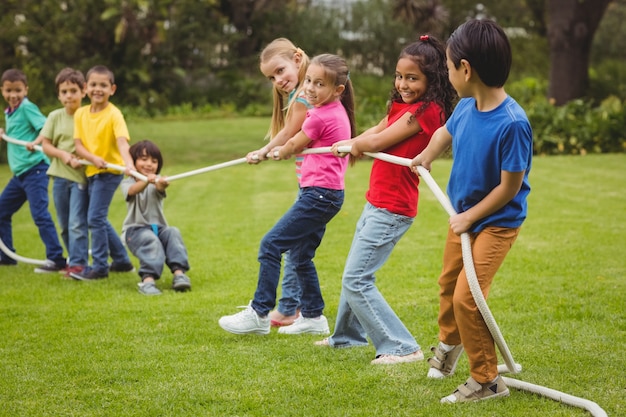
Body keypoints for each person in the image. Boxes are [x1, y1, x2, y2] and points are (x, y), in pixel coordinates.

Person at [410, 19, 532, 403]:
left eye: (447, 68)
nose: (447, 75)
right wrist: (427, 156)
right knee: (448, 284)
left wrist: (471, 216)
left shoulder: (513, 123)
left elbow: (509, 187)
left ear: (466, 69)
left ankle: (486, 381)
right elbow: (443, 134)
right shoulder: (465, 108)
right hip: (464, 218)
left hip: (494, 224)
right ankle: (450, 344)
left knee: (468, 296)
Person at [317, 35, 457, 365]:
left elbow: (380, 140)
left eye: (412, 78)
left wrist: (358, 145)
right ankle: (347, 337)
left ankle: (401, 346)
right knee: (354, 274)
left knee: (356, 278)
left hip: (392, 209)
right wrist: (352, 141)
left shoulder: (428, 112)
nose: (403, 83)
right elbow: (373, 132)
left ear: (431, 79)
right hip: (375, 201)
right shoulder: (400, 106)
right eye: (399, 75)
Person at [219, 53, 356, 336]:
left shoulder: (322, 115)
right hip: (325, 194)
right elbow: (293, 140)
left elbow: (295, 142)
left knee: (271, 244)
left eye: (319, 84)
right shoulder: (333, 109)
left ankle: (259, 313)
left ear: (338, 90)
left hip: (319, 195)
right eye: (308, 81)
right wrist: (266, 151)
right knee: (300, 256)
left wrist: (277, 152)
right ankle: (314, 317)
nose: (310, 88)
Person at [245, 38, 313, 327]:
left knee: (283, 245)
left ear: (297, 58)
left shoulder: (303, 95)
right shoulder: (304, 91)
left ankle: (285, 310)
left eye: (280, 71)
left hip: (315, 188)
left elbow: (289, 133)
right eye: (272, 77)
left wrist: (264, 151)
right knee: (299, 250)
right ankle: (297, 310)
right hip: (309, 184)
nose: (277, 80)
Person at [70, 65, 135, 281]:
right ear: (86, 88)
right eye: (94, 85)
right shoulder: (80, 113)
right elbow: (78, 145)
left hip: (110, 172)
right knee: (98, 217)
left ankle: (99, 267)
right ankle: (122, 261)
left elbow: (122, 143)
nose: (98, 89)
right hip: (92, 171)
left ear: (112, 89)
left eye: (103, 85)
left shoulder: (114, 114)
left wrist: (130, 165)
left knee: (95, 218)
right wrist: (92, 158)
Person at [0, 69, 67, 272]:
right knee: (1, 211)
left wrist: (36, 142)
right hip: (20, 175)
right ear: (2, 90)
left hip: (35, 169)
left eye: (18, 90)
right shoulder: (9, 111)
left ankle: (56, 259)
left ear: (26, 90)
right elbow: (18, 131)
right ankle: (7, 255)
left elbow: (45, 127)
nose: (14, 95)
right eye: (9, 90)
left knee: (39, 214)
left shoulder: (27, 107)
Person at [120, 140, 192, 296]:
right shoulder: (128, 182)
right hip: (135, 231)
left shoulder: (156, 181)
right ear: (133, 161)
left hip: (158, 228)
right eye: (144, 159)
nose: (149, 164)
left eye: (154, 161)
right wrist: (146, 181)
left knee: (173, 232)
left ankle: (179, 274)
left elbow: (159, 188)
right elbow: (133, 191)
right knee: (149, 240)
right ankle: (147, 282)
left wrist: (162, 184)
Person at [39, 68, 89, 277]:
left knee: (77, 223)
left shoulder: (88, 116)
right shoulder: (54, 116)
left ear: (83, 92)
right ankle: (73, 260)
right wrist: (62, 155)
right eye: (64, 91)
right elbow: (46, 145)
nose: (69, 95)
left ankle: (79, 264)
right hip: (59, 176)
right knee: (64, 224)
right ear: (59, 95)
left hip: (80, 178)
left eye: (73, 91)